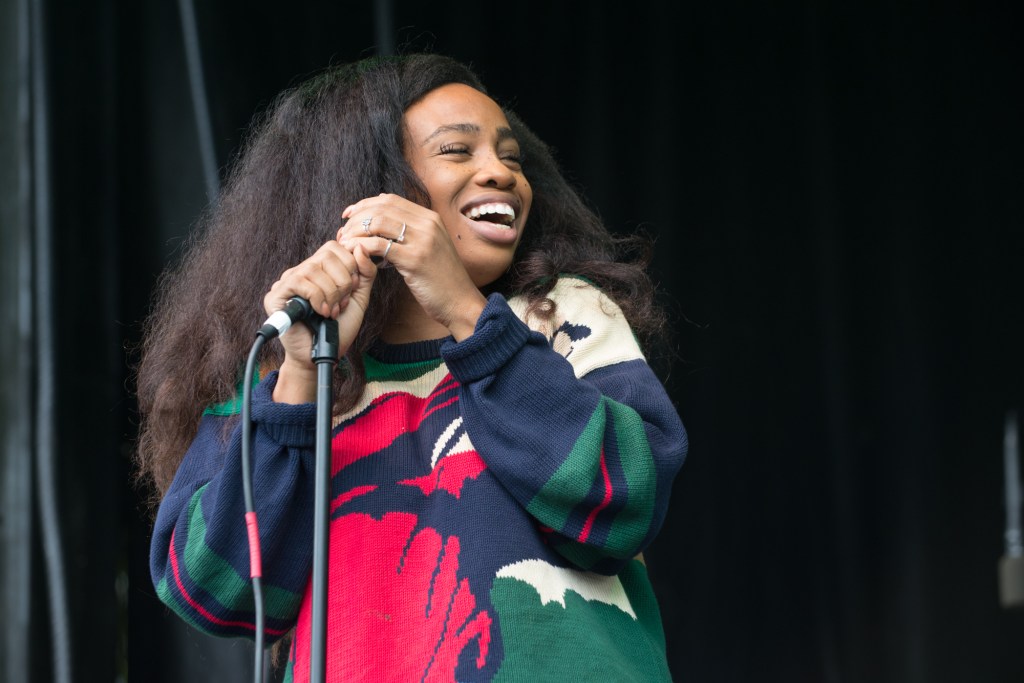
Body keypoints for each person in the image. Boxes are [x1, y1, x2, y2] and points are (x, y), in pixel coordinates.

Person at [136, 52, 689, 682]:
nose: (502, 173)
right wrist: (299, 382)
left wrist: (464, 311)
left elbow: (622, 504)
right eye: (459, 150)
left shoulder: (564, 314)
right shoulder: (283, 377)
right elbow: (215, 591)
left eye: (511, 157)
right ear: (363, 188)